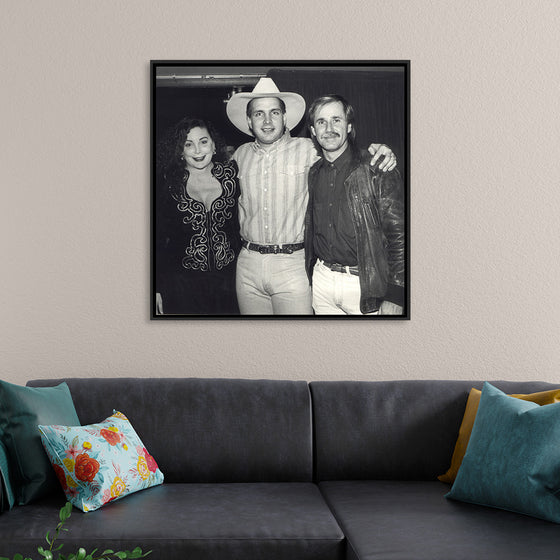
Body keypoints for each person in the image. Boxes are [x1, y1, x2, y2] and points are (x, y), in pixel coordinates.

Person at [226, 78, 396, 315]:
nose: (267, 121)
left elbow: (343, 150)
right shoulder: (238, 157)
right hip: (247, 264)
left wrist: (379, 151)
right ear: (248, 120)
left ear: (285, 118)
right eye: (258, 114)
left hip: (292, 264)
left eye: (274, 112)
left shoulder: (309, 149)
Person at [304, 94, 405, 315]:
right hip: (322, 282)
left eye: (336, 120)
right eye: (321, 122)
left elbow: (400, 235)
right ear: (313, 131)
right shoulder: (313, 172)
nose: (329, 128)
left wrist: (397, 294)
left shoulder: (376, 167)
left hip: (365, 284)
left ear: (349, 126)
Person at [155, 117, 241, 315]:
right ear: (180, 151)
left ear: (214, 145)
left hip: (230, 282)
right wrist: (156, 286)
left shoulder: (232, 176)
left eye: (203, 142)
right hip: (181, 284)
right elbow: (157, 240)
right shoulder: (168, 184)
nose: (197, 151)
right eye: (188, 144)